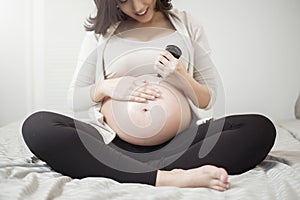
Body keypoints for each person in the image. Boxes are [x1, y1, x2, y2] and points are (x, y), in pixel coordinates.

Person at [21, 0, 276, 192]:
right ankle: (168, 177)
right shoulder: (101, 32)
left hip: (181, 144)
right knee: (38, 126)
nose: (138, 6)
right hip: (112, 143)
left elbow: (207, 99)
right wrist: (108, 87)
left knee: (259, 128)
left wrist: (181, 76)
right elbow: (74, 98)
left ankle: (127, 169)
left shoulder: (187, 24)